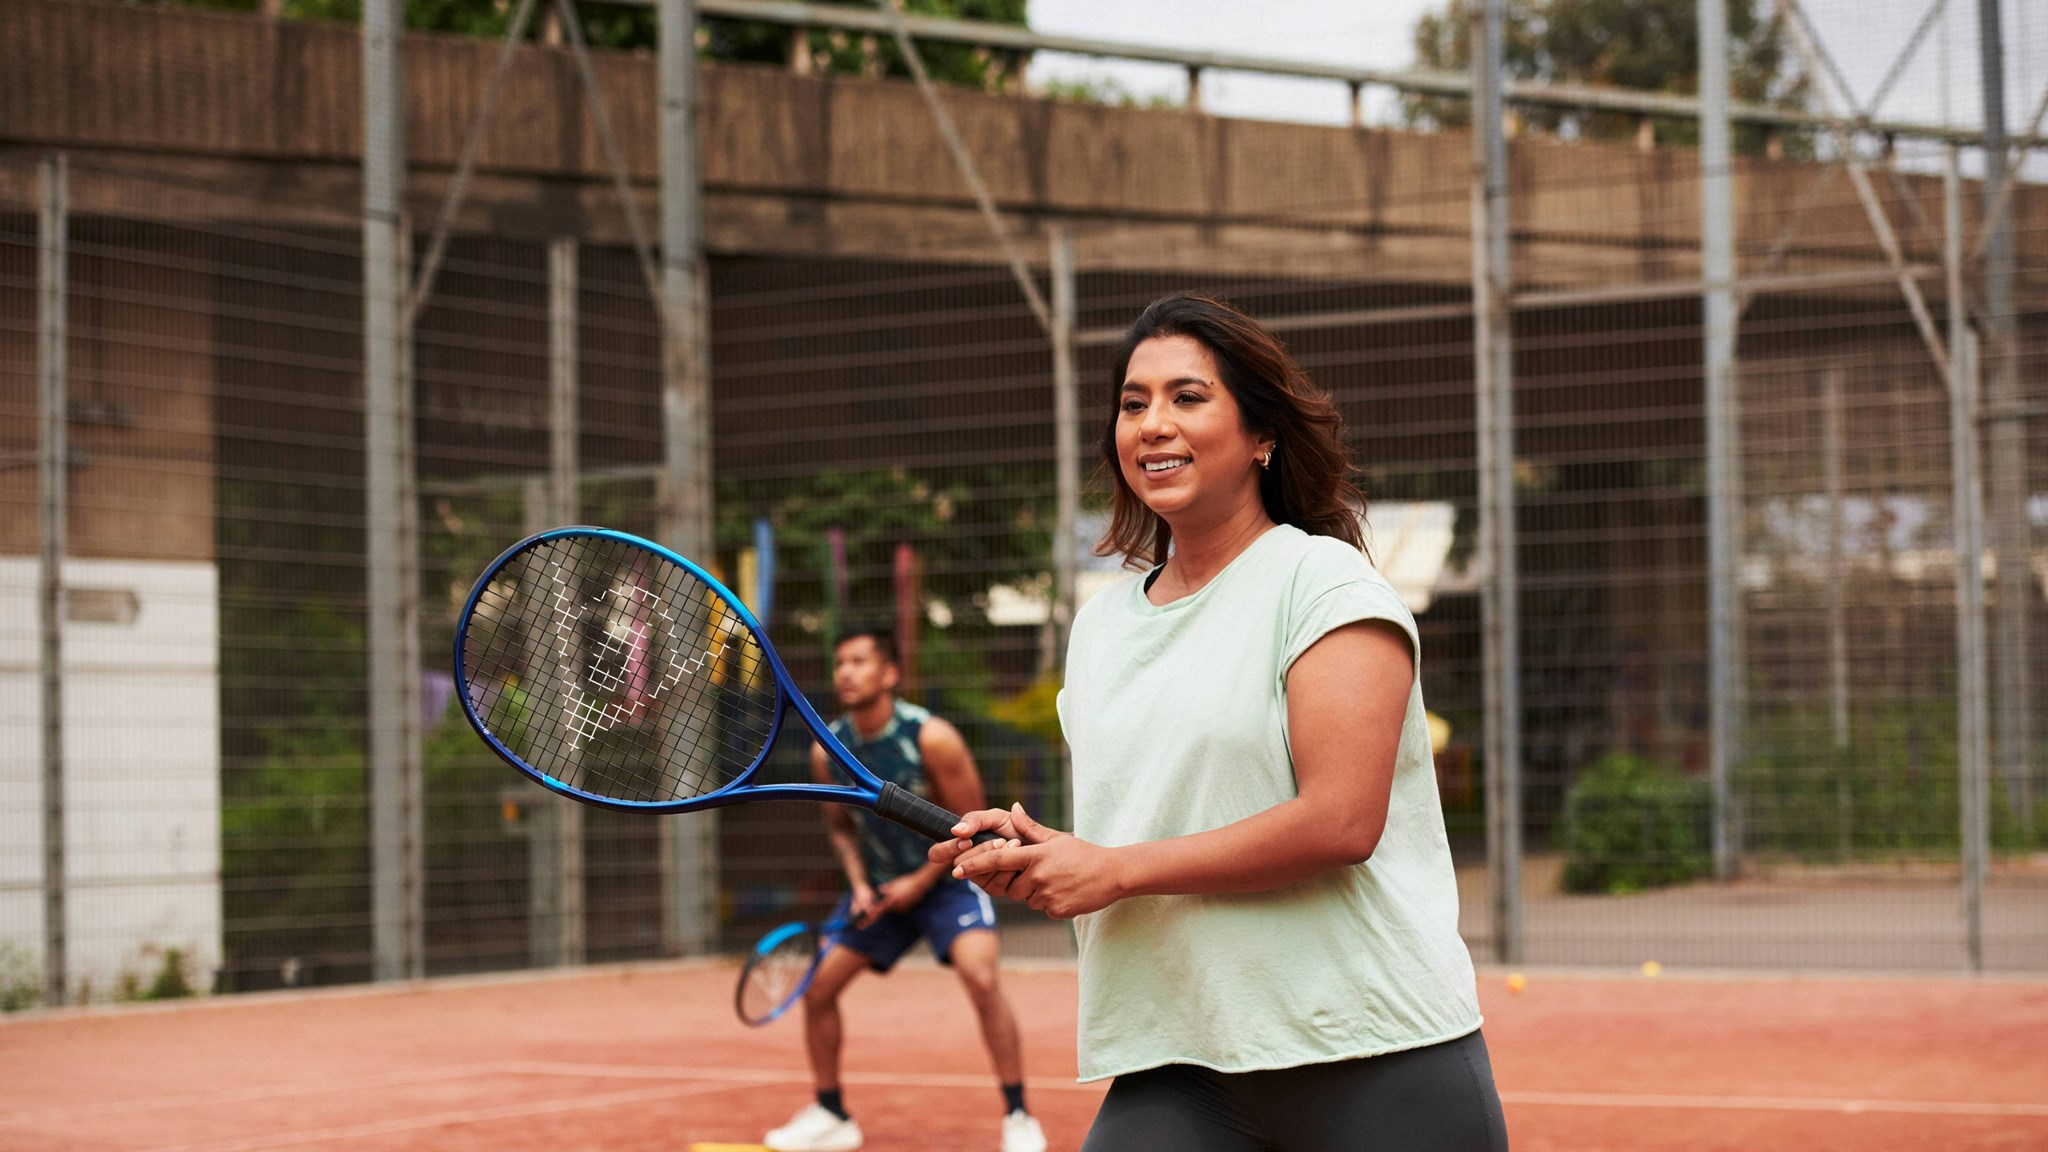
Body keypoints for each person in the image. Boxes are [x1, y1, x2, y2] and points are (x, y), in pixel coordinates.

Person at [936, 293, 1509, 1151]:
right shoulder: (1101, 626)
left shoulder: (1325, 587)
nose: (1152, 425)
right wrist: (1048, 852)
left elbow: (1341, 821)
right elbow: (1159, 822)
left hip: (1374, 1058)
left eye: (1188, 397)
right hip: (1178, 1062)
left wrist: (1117, 869)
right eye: (1134, 404)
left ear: (1261, 435)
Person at [764, 626, 1048, 1152]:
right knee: (819, 989)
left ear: (890, 674)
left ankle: (1018, 1116)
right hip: (876, 889)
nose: (845, 672)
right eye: (839, 662)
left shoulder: (931, 738)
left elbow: (971, 830)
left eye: (859, 660)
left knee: (980, 977)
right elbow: (841, 830)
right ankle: (832, 1114)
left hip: (949, 881)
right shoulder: (828, 748)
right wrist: (858, 885)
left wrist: (919, 882)